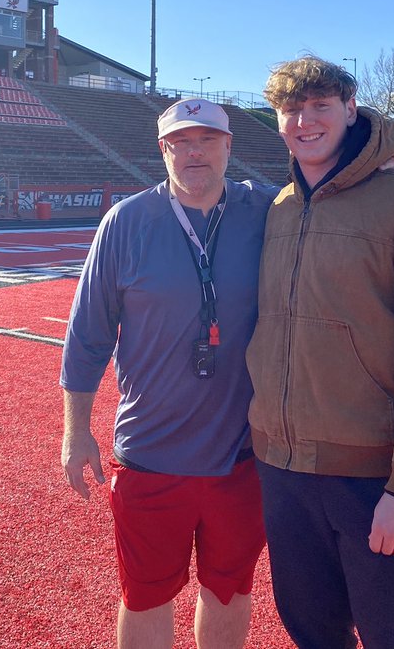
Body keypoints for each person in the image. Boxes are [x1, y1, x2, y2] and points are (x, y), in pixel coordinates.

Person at [246, 55, 394, 648]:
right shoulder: (280, 209)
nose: (305, 121)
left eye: (320, 106)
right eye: (291, 110)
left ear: (351, 110)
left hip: (373, 475)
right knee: (311, 629)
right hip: (284, 472)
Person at [59, 98, 272, 649]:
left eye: (206, 140)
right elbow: (87, 336)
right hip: (151, 456)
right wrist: (75, 430)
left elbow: (335, 199)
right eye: (181, 141)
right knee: (146, 594)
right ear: (162, 150)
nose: (193, 151)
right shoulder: (126, 223)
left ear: (230, 147)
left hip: (241, 455)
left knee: (229, 589)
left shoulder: (268, 212)